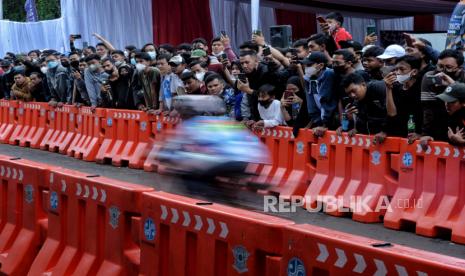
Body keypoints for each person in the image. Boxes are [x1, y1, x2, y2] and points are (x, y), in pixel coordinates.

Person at [420, 49, 465, 144]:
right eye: (440, 66)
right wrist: (426, 133)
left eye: (448, 67)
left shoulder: (463, 76)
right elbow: (428, 108)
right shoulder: (430, 77)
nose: (442, 71)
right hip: (439, 123)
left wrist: (452, 84)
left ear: (459, 68)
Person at [384, 55, 423, 139]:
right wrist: (388, 88)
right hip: (398, 134)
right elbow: (392, 113)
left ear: (414, 72)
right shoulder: (396, 87)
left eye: (402, 69)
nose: (397, 72)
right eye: (396, 69)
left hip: (416, 135)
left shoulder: (421, 89)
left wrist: (422, 134)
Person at [299, 52, 338, 133]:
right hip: (320, 122)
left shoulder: (328, 74)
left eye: (309, 65)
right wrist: (317, 121)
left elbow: (326, 101)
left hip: (333, 121)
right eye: (305, 65)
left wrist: (324, 124)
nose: (306, 68)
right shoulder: (309, 78)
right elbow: (311, 103)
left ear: (321, 65)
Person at [341, 72, 387, 140]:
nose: (352, 95)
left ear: (363, 84)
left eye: (354, 91)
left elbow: (393, 111)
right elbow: (364, 120)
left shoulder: (379, 87)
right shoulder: (357, 101)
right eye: (349, 93)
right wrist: (355, 127)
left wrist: (385, 131)